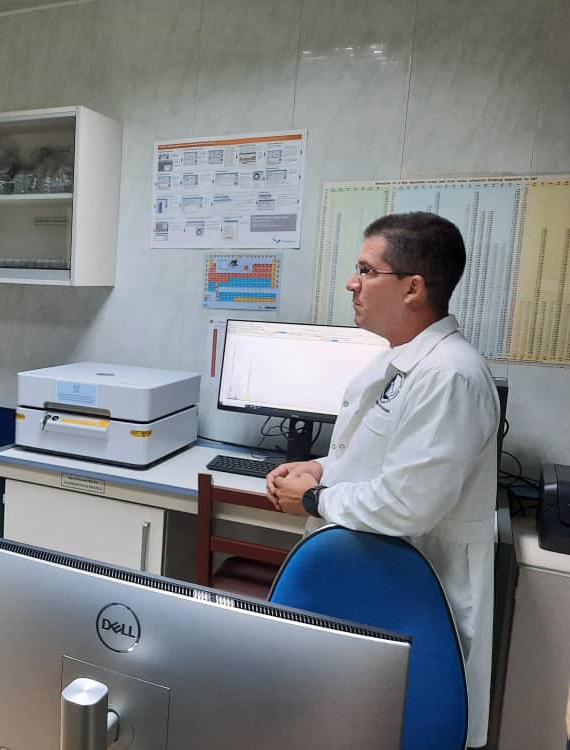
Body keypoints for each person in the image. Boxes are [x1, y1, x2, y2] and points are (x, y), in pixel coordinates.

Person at [266, 212, 499, 749]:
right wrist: (319, 468)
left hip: (415, 595)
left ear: (413, 288)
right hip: (367, 579)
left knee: (404, 728)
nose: (352, 283)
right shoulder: (396, 362)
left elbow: (407, 503)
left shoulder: (449, 376)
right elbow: (373, 458)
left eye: (367, 270)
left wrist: (315, 499)